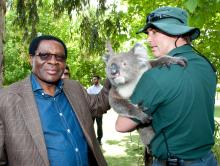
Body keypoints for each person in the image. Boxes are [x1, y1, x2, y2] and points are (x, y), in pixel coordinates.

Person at [115, 6, 218, 166]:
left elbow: (122, 125)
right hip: (208, 160)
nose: (149, 39)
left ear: (176, 32)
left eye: (154, 32)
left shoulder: (157, 75)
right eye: (148, 33)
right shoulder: (207, 66)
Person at [0, 35, 111, 166]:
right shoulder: (6, 99)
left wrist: (118, 72)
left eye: (60, 57)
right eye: (44, 55)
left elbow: (100, 103)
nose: (53, 61)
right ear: (31, 59)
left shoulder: (74, 88)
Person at [87, 75, 104, 145]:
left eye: (95, 79)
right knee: (90, 125)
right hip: (92, 109)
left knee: (99, 125)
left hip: (99, 109)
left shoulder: (102, 88)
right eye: (93, 79)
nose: (93, 81)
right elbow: (87, 98)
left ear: (98, 80)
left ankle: (99, 139)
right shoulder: (90, 89)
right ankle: (90, 138)